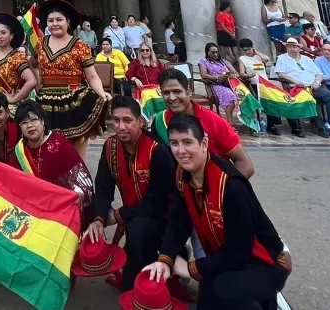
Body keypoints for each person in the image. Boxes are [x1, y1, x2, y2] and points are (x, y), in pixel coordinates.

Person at [143, 114, 291, 309]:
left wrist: (189, 268)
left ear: (204, 143)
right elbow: (178, 221)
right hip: (228, 257)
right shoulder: (182, 174)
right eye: (174, 143)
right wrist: (165, 258)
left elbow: (239, 254)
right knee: (207, 301)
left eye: (187, 142)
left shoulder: (231, 186)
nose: (180, 151)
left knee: (226, 289)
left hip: (267, 262)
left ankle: (266, 301)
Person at [85, 96, 174, 291]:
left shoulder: (157, 151)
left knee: (138, 232)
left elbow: (157, 203)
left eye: (127, 120)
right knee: (86, 214)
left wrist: (118, 215)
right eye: (116, 120)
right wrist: (99, 219)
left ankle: (171, 256)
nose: (121, 127)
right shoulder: (111, 146)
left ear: (140, 122)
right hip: (134, 215)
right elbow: (102, 186)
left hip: (163, 217)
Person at [36, 0, 112, 154]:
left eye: (59, 20)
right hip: (45, 101)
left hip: (72, 100)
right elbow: (32, 64)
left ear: (68, 22)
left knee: (75, 149)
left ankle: (76, 177)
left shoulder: (79, 45)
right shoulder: (40, 43)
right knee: (47, 147)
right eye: (50, 20)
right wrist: (38, 86)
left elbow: (91, 76)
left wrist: (101, 92)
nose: (54, 24)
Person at [149, 69, 254, 178]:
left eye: (177, 91)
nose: (172, 98)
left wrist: (226, 190)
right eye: (166, 93)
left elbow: (245, 165)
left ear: (188, 91)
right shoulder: (160, 121)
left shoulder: (214, 121)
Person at [12, 100, 94, 214]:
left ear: (43, 121)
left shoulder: (59, 144)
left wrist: (79, 194)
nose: (29, 125)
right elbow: (13, 181)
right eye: (24, 122)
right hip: (31, 209)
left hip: (60, 209)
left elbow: (80, 176)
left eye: (34, 119)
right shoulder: (19, 151)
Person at [274, 38, 330, 137]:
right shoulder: (282, 58)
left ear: (299, 48)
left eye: (294, 46)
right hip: (297, 88)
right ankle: (320, 127)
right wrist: (296, 81)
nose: (291, 49)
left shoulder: (306, 59)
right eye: (289, 46)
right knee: (311, 99)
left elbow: (319, 73)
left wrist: (317, 82)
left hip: (313, 86)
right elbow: (280, 73)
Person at [0, 13, 37, 115]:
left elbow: (32, 81)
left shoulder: (16, 57)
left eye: (3, 33)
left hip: (10, 111)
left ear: (11, 36)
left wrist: (14, 99)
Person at [198, 43, 239, 116]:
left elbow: (235, 72)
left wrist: (233, 75)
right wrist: (217, 77)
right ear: (207, 52)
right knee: (230, 95)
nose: (215, 54)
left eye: (217, 52)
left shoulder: (224, 61)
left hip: (230, 84)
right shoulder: (204, 61)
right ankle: (230, 121)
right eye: (213, 52)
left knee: (244, 94)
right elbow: (203, 75)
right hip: (216, 84)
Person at [127, 42, 165, 115]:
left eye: (147, 50)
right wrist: (135, 79)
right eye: (142, 50)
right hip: (143, 89)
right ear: (140, 52)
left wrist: (162, 86)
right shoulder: (136, 62)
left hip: (157, 87)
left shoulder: (157, 62)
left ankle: (161, 116)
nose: (145, 52)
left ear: (150, 51)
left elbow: (164, 74)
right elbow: (128, 74)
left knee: (159, 95)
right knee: (147, 94)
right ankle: (149, 119)